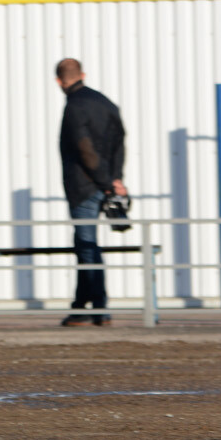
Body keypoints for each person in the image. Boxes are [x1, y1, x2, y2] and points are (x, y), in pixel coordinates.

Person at [55, 58, 126, 327]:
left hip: (84, 186)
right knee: (85, 245)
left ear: (59, 81)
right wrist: (116, 178)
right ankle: (81, 306)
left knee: (87, 247)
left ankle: (99, 308)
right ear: (82, 74)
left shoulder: (74, 106)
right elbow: (120, 142)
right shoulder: (106, 103)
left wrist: (105, 180)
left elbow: (85, 150)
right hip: (106, 182)